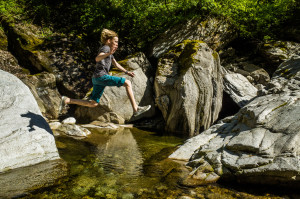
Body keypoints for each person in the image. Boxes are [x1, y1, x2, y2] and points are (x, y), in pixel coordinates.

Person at [59, 29, 151, 117]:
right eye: (115, 41)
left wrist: (126, 72)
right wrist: (108, 53)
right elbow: (97, 58)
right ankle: (136, 109)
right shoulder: (106, 48)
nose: (117, 44)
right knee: (127, 83)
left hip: (96, 79)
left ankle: (67, 100)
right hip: (101, 76)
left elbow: (116, 64)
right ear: (108, 40)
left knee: (93, 103)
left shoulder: (108, 51)